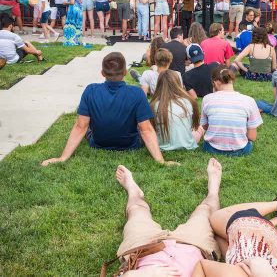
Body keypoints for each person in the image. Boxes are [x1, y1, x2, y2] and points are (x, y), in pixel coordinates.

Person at [41, 52, 179, 166]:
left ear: (102, 73)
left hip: (98, 142)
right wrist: (161, 161)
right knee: (146, 123)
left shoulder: (90, 91)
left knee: (84, 124)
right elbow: (146, 129)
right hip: (130, 144)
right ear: (125, 72)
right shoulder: (136, 93)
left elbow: (80, 127)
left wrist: (63, 157)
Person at [99, 158, 222, 277]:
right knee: (205, 212)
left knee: (136, 211)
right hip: (193, 244)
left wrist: (144, 274)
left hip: (142, 247)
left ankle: (133, 192)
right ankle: (213, 190)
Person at [192, 191, 277, 277]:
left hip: (275, 258)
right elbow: (201, 265)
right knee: (215, 218)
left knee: (216, 237)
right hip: (253, 236)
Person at [200, 65, 263, 156]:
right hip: (241, 149)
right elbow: (252, 137)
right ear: (232, 80)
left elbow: (205, 126)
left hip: (211, 148)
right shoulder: (249, 101)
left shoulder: (207, 99)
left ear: (216, 83)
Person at [150, 70, 202, 150]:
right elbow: (194, 126)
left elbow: (152, 129)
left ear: (159, 84)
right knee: (201, 127)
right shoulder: (188, 101)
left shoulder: (154, 105)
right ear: (178, 83)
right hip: (188, 145)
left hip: (162, 146)